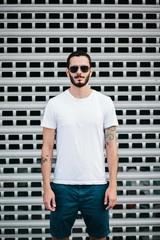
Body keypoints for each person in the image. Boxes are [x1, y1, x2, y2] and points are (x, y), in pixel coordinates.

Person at [41, 50, 118, 240]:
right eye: (74, 68)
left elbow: (111, 146)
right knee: (59, 237)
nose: (79, 72)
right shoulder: (55, 104)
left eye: (84, 68)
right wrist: (47, 187)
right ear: (67, 72)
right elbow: (47, 148)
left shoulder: (104, 102)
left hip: (96, 185)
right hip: (62, 186)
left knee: (99, 237)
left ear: (91, 71)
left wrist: (113, 184)